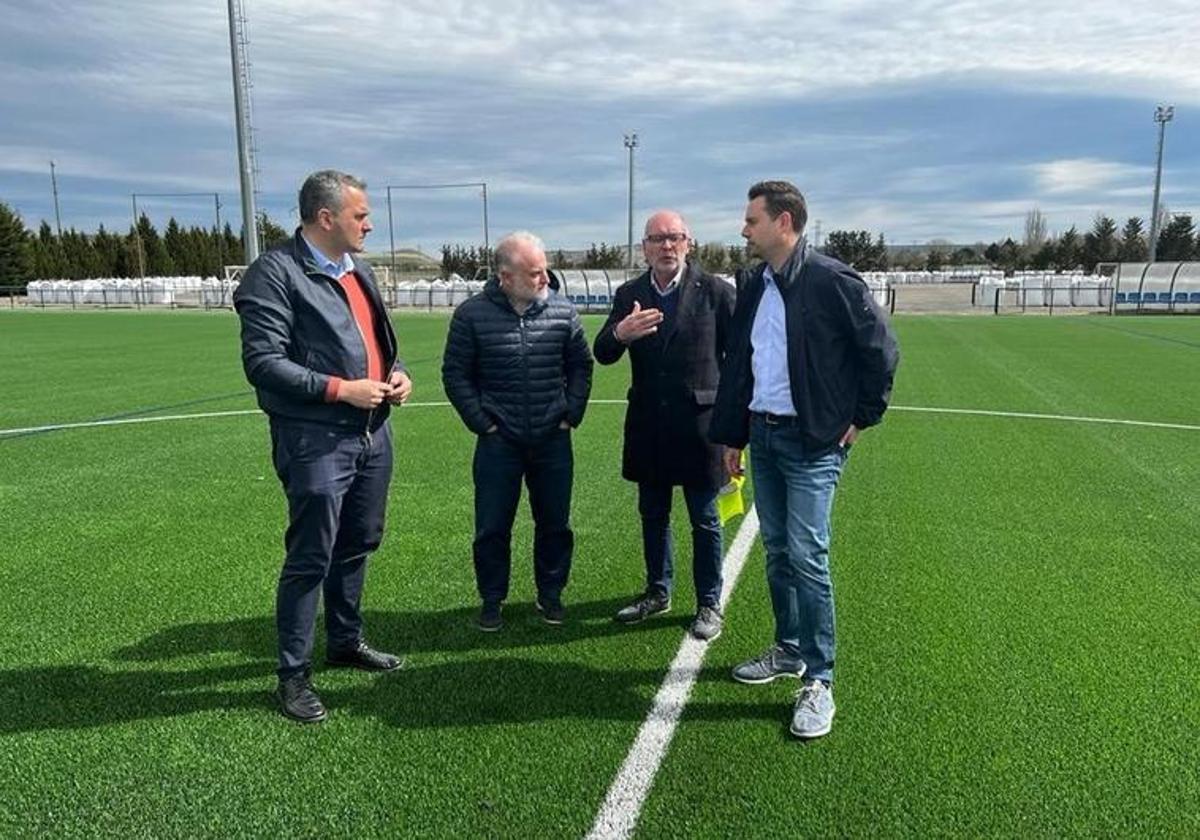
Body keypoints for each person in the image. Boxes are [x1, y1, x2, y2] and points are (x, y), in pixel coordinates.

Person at [709, 180, 899, 739]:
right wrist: (732, 435)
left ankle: (820, 679)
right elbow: (741, 365)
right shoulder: (753, 284)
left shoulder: (831, 280)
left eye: (752, 220)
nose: (744, 230)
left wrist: (861, 417)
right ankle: (789, 649)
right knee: (775, 549)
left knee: (807, 554)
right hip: (763, 436)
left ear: (784, 222)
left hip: (815, 442)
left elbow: (882, 351)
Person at [233, 170, 412, 724]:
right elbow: (262, 363)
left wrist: (397, 372)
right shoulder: (275, 273)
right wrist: (341, 390)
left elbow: (379, 344)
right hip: (315, 439)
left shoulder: (359, 271)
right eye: (361, 215)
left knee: (359, 540)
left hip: (372, 431)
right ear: (325, 217)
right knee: (311, 554)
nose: (370, 224)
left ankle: (345, 640)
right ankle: (293, 675)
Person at [593, 210, 736, 640]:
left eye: (674, 238)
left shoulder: (714, 292)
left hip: (701, 428)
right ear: (644, 248)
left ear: (688, 243)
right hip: (649, 425)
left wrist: (735, 428)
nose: (666, 246)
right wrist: (621, 333)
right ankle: (659, 591)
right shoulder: (629, 293)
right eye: (657, 239)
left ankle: (709, 602)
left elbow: (740, 361)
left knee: (705, 519)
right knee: (653, 515)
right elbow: (602, 352)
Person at [441, 232, 593, 631]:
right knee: (492, 526)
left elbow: (582, 365)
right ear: (506, 277)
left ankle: (551, 594)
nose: (545, 279)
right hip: (498, 442)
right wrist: (483, 423)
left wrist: (570, 412)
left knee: (555, 524)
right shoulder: (471, 315)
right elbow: (455, 375)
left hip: (552, 439)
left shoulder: (563, 311)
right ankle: (492, 599)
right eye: (535, 273)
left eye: (544, 271)